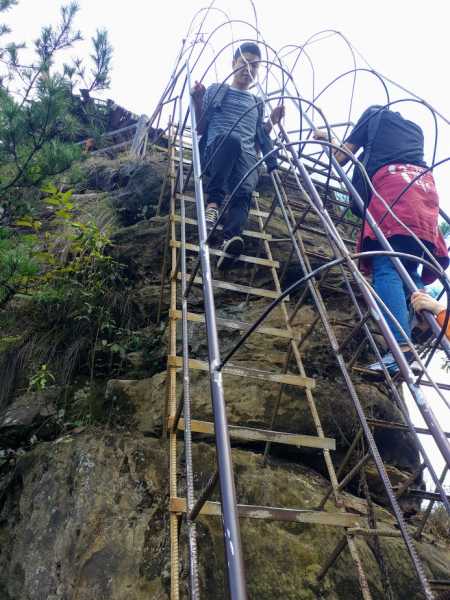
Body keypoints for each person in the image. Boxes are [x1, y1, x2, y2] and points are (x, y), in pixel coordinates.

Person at [314, 106, 449, 372]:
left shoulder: (374, 114)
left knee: (386, 263)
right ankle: (422, 318)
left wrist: (326, 138)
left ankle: (401, 348)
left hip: (395, 189)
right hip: (424, 190)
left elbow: (341, 156)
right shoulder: (414, 131)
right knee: (407, 266)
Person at [190, 42, 285, 270]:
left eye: (255, 66)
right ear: (234, 64)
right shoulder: (216, 89)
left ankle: (228, 241)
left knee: (245, 187)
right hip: (217, 151)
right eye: (245, 62)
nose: (249, 69)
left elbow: (256, 144)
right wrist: (199, 100)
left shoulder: (256, 103)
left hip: (245, 157)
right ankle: (213, 203)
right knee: (231, 140)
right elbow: (201, 128)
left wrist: (271, 122)